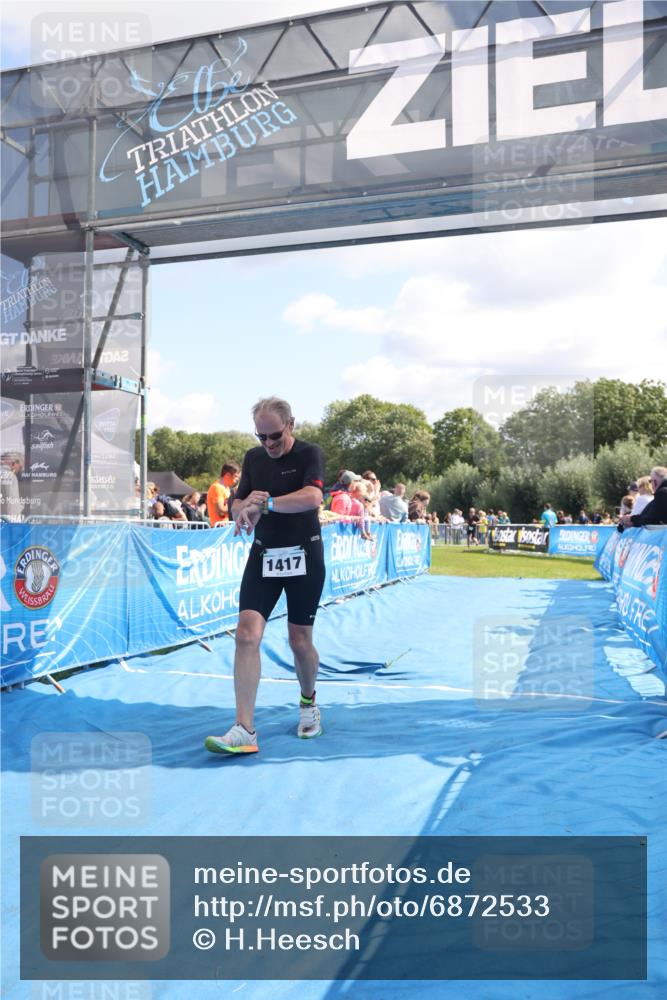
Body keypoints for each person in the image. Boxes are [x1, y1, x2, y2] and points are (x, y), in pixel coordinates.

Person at [204, 397, 326, 756]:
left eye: (274, 436)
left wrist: (267, 503)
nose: (269, 444)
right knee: (245, 635)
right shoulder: (254, 458)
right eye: (261, 437)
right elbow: (235, 504)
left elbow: (313, 497)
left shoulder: (309, 453)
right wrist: (244, 509)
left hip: (304, 553)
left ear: (291, 425)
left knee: (299, 641)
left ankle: (308, 704)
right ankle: (244, 729)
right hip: (264, 555)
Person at [207, 462, 241, 527]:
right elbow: (221, 510)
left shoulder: (227, 488)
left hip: (227, 526)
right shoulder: (217, 487)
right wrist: (238, 506)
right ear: (227, 475)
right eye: (236, 477)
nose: (237, 480)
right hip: (219, 528)